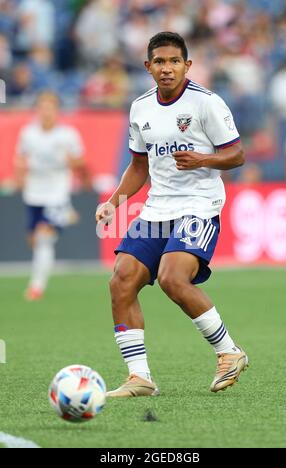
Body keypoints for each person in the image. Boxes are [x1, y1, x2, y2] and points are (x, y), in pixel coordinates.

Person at [96, 32, 249, 396]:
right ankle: (140, 377)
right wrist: (113, 201)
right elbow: (138, 166)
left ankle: (229, 352)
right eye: (160, 62)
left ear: (187, 65)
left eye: (174, 62)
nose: (167, 69)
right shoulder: (141, 108)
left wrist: (204, 159)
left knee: (172, 277)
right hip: (156, 208)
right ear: (148, 67)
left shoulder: (206, 103)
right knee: (121, 280)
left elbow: (238, 154)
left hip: (198, 204)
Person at [15, 90, 89, 301]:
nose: (46, 112)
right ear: (37, 110)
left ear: (57, 110)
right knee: (33, 240)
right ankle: (66, 215)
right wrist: (19, 177)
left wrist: (70, 162)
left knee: (43, 237)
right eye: (42, 108)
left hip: (56, 192)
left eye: (50, 108)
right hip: (33, 193)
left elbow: (80, 162)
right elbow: (21, 157)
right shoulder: (28, 133)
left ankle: (36, 287)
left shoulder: (67, 134)